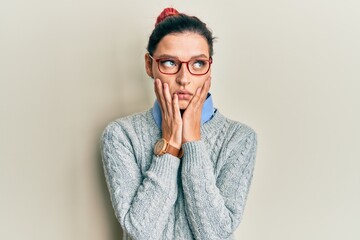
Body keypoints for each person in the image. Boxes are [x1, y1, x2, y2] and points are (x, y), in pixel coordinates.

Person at [101, 7, 257, 240]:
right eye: (170, 63)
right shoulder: (121, 135)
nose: (184, 79)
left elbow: (215, 234)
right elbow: (141, 232)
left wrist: (193, 142)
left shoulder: (239, 138)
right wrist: (170, 146)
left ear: (209, 68)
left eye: (197, 64)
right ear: (149, 65)